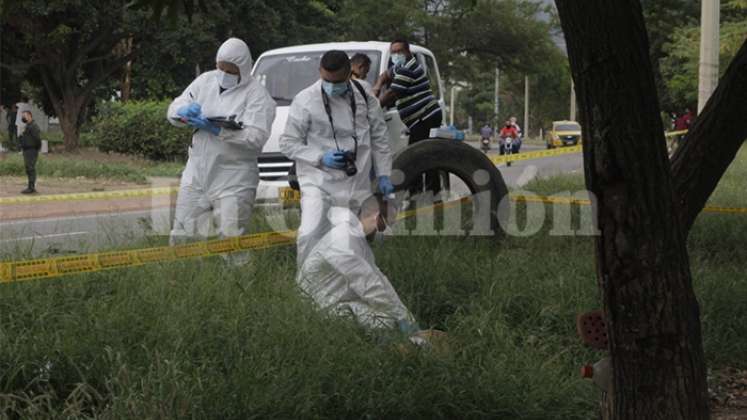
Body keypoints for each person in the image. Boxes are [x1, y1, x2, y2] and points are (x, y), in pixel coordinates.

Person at [279, 50, 427, 341]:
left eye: (336, 81)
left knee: (357, 247)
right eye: (325, 80)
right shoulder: (306, 99)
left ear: (350, 74)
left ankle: (339, 294)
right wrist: (320, 156)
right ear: (320, 74)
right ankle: (306, 298)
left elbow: (380, 139)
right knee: (311, 234)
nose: (330, 86)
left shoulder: (364, 97)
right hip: (318, 180)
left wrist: (384, 174)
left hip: (355, 181)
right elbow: (288, 143)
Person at [166, 38, 276, 260]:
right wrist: (183, 112)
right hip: (197, 171)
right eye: (221, 67)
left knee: (231, 239)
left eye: (230, 70)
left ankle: (238, 287)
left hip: (234, 177)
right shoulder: (205, 81)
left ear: (244, 69)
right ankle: (183, 281)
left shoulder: (257, 96)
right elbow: (174, 108)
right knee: (183, 232)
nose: (224, 73)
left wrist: (219, 130)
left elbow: (255, 138)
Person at [373, 38, 444, 202]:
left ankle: (420, 195)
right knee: (424, 154)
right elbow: (386, 75)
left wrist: (373, 109)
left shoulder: (407, 68)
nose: (396, 55)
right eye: (394, 52)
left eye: (399, 51)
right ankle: (428, 194)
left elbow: (392, 93)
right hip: (419, 118)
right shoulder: (400, 66)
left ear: (407, 52)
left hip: (425, 116)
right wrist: (377, 84)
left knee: (417, 155)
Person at [18, 110, 42, 194]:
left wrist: (37, 148)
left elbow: (37, 139)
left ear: (29, 116)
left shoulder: (33, 126)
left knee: (31, 168)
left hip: (31, 150)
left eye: (24, 116)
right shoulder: (28, 126)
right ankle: (30, 187)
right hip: (27, 150)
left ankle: (31, 188)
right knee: (28, 168)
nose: (23, 118)